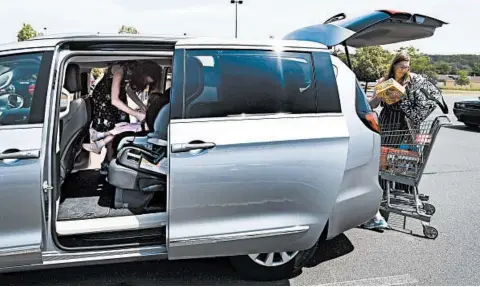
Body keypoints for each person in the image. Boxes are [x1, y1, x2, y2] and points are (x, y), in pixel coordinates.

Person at [362, 51, 418, 230]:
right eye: (401, 66)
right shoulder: (383, 81)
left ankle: (398, 194)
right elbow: (372, 105)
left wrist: (406, 96)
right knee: (383, 162)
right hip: (388, 124)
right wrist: (379, 95)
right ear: (394, 66)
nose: (405, 69)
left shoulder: (413, 82)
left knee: (401, 162)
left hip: (405, 126)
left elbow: (418, 105)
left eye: (407, 66)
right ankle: (379, 200)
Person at [83, 60, 163, 173]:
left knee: (122, 126)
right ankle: (108, 163)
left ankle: (105, 155)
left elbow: (129, 90)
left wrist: (142, 107)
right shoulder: (120, 69)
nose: (145, 83)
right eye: (145, 80)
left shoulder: (134, 73)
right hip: (104, 98)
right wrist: (137, 114)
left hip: (118, 97)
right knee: (111, 127)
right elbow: (114, 101)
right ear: (142, 74)